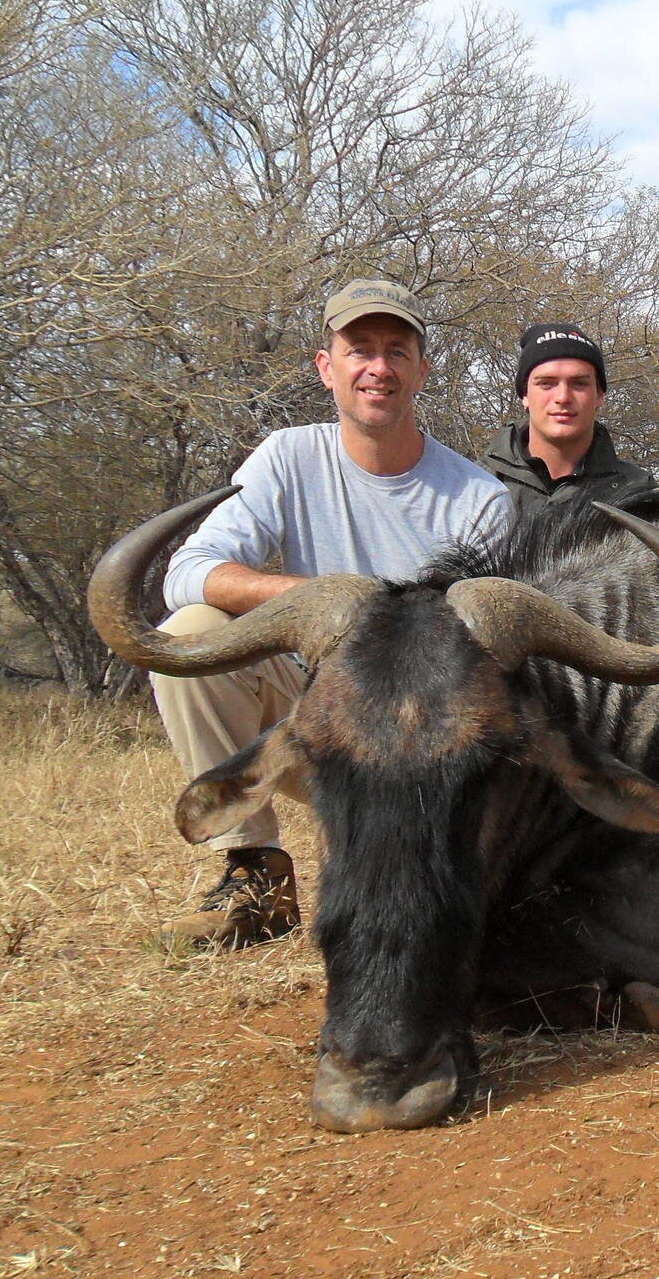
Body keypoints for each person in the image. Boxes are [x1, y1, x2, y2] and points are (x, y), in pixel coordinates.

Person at [153, 279, 510, 948]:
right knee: (190, 635)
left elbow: (484, 665)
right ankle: (254, 870)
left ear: (422, 370)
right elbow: (188, 574)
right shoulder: (287, 457)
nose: (379, 368)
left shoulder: (478, 498)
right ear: (327, 368)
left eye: (397, 351)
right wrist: (323, 601)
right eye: (359, 350)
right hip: (313, 720)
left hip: (422, 744)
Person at [485, 322, 649, 518]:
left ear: (599, 395)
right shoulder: (475, 485)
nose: (563, 397)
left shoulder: (639, 492)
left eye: (579, 384)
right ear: (525, 395)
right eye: (546, 384)